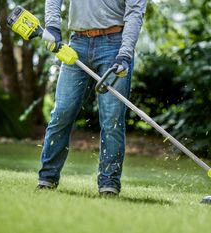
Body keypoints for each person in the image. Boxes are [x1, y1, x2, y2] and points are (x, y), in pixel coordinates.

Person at [37, 0, 147, 196]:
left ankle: (109, 184)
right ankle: (47, 179)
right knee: (62, 112)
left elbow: (134, 13)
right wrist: (53, 25)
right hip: (77, 43)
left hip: (114, 45)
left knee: (112, 120)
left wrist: (125, 54)